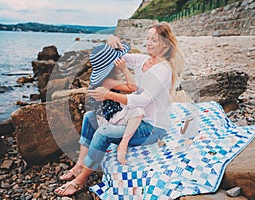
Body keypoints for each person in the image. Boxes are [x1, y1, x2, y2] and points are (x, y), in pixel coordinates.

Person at [54, 22, 185, 197]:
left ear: (166, 44)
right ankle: (78, 166)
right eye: (147, 38)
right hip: (135, 117)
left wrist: (109, 95)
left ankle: (80, 181)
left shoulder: (163, 70)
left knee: (103, 132)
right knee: (89, 117)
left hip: (152, 128)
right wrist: (112, 40)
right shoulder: (145, 60)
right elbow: (117, 57)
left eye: (154, 40)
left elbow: (143, 100)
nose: (148, 43)